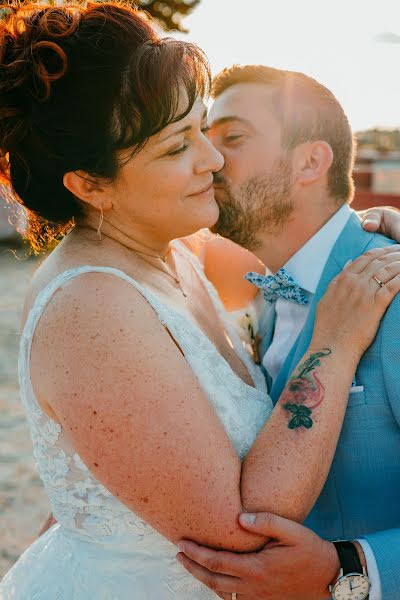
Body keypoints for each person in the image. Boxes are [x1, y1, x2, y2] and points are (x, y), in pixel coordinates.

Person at [0, 4, 399, 598]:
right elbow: (237, 529)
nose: (212, 161)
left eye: (213, 130)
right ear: (90, 185)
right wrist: (334, 345)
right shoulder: (91, 305)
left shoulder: (181, 256)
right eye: (177, 146)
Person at [175, 65, 400, 600]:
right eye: (201, 139)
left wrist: (353, 568)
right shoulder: (268, 295)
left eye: (232, 137)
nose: (206, 159)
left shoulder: (392, 291)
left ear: (309, 162)